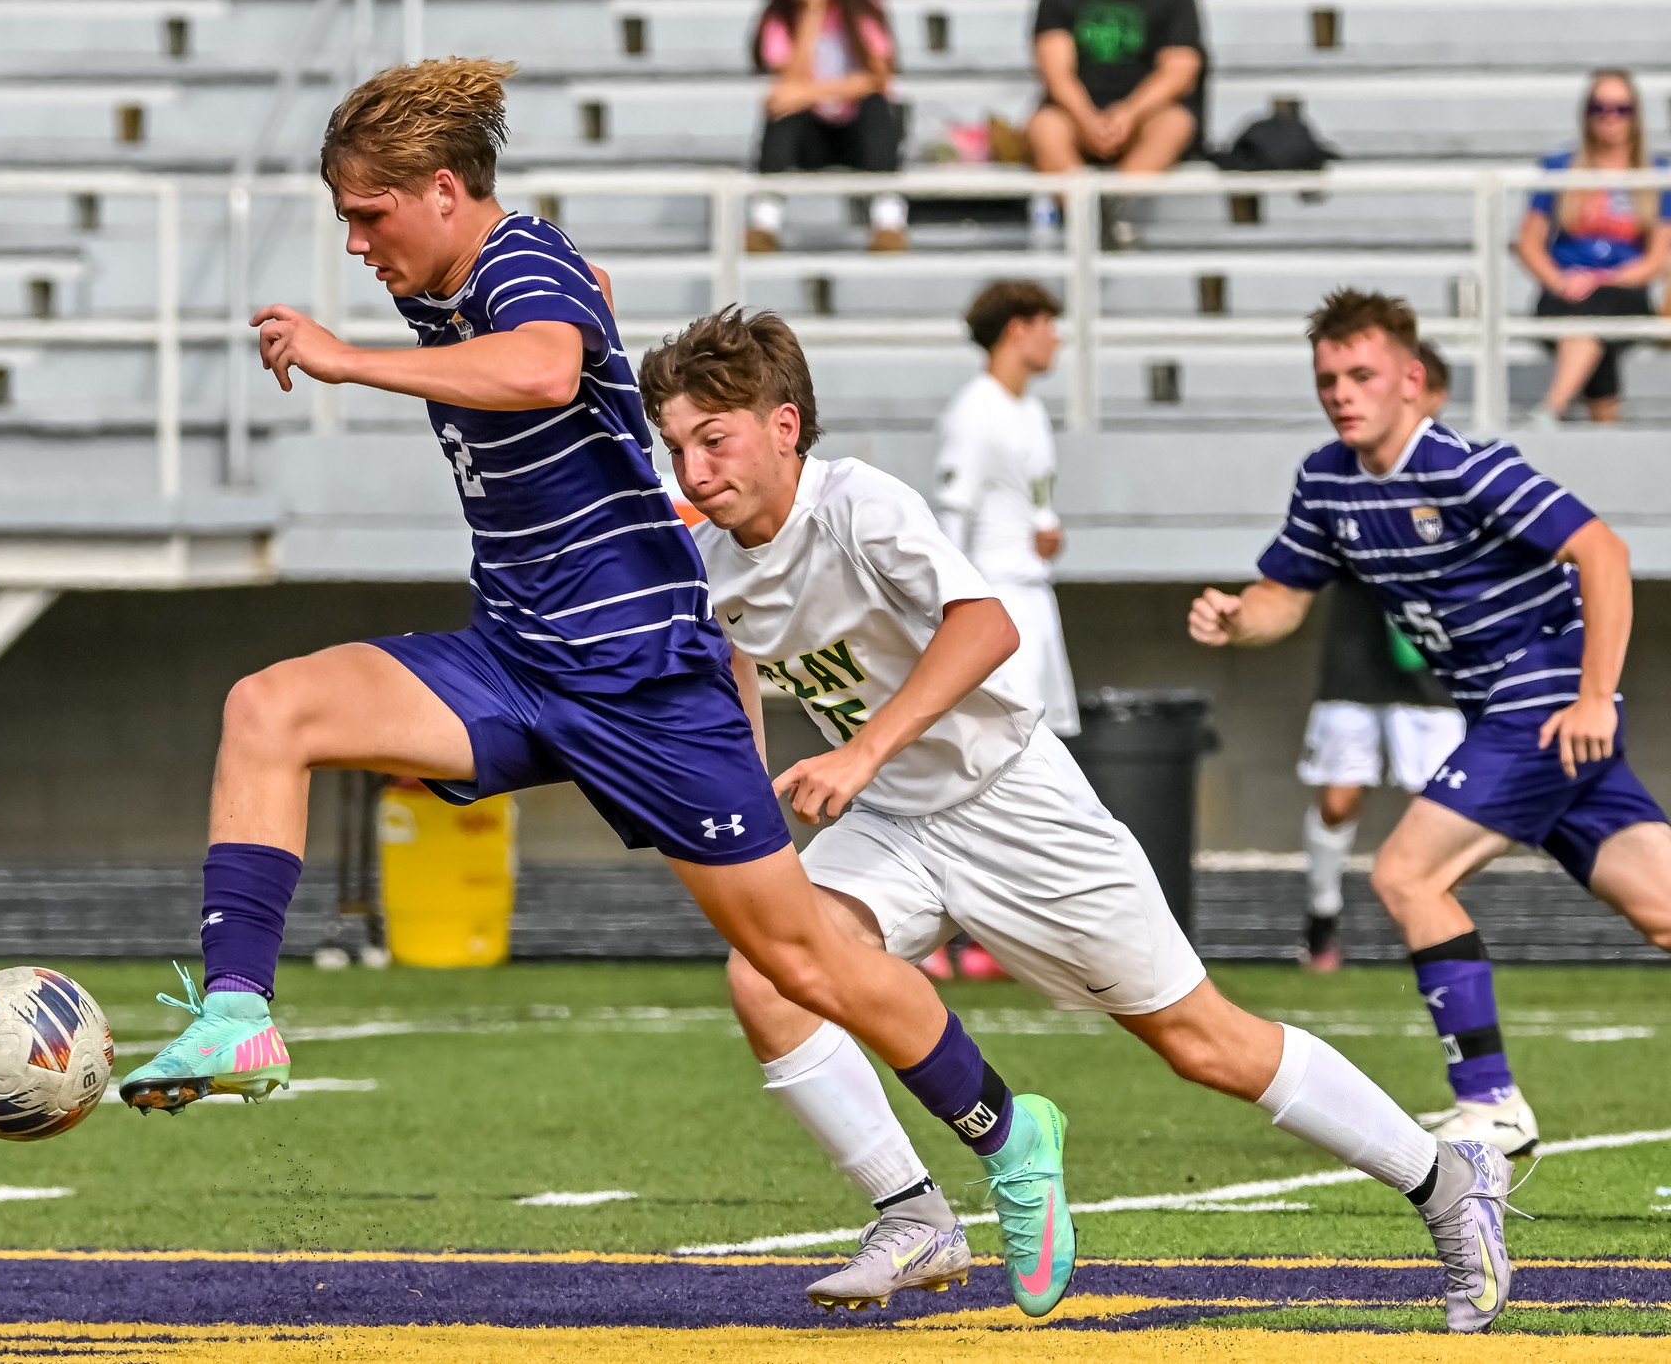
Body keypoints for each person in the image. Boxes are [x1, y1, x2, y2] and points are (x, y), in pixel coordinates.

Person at [116, 59, 1079, 1320]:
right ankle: (239, 1009)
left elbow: (541, 368)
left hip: (643, 681)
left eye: (368, 215)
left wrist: (348, 362)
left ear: (445, 191)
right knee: (268, 707)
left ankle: (1008, 1135)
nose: (354, 243)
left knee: (798, 961)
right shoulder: (464, 278)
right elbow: (583, 320)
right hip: (518, 658)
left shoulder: (516, 260)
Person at [646, 306, 1519, 1333]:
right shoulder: (707, 553)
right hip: (893, 820)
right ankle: (913, 1212)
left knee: (1203, 1043)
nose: (693, 468)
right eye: (676, 445)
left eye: (714, 439)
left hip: (1013, 806)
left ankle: (1446, 1180)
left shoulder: (857, 505)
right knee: (766, 974)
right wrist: (747, 787)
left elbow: (987, 626)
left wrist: (861, 749)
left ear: (784, 425)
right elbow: (735, 661)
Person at [1190, 288, 1671, 1159]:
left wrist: (1596, 694)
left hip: (1545, 700)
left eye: (1362, 374)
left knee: (1408, 872)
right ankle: (1490, 1104)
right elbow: (1282, 598)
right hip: (1504, 712)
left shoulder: (1464, 468)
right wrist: (1236, 617)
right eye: (1329, 379)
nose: (1343, 393)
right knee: (1662, 910)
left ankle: (1491, 1103)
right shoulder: (1326, 480)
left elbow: (1603, 551)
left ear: (1412, 380)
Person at [1296, 342, 1466, 972]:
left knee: (1444, 811)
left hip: (1434, 673)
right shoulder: (1342, 474)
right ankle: (1321, 916)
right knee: (1339, 798)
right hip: (1357, 660)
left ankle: (1435, 929)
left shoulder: (1461, 475)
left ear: (1431, 393)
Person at [932, 280, 1079, 737]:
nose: (1056, 338)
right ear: (1017, 329)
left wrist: (1048, 534)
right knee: (1010, 741)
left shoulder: (1031, 411)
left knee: (1047, 740)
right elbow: (952, 519)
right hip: (998, 597)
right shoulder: (974, 411)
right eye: (1047, 324)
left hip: (1036, 594)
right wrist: (954, 615)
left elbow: (1034, 501)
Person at [1518, 68, 1671, 427]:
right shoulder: (1561, 167)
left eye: (1621, 109)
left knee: (1597, 311)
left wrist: (1602, 278)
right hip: (1564, 290)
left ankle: (1550, 410)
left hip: (1625, 289)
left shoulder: (1657, 173)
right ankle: (1606, 432)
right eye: (1599, 108)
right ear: (1586, 113)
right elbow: (1528, 243)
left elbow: (1656, 259)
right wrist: (1560, 281)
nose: (1609, 118)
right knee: (1591, 320)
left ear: (1635, 115)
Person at [1026, 0, 1204, 245]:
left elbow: (1180, 70)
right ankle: (1085, 213)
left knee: (1175, 123)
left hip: (1145, 116)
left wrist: (1130, 113)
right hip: (1075, 117)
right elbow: (1055, 73)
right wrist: (1087, 119)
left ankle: (1110, 209)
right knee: (1044, 126)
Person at [746, 0, 907, 254]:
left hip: (856, 136)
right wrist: (811, 16)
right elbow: (788, 83)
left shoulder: (864, 8)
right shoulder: (779, 17)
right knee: (782, 113)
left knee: (876, 107)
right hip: (809, 138)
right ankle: (764, 223)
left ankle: (888, 222)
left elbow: (878, 78)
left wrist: (808, 94)